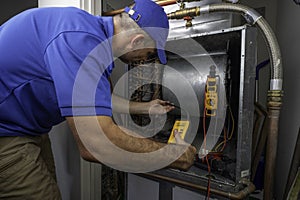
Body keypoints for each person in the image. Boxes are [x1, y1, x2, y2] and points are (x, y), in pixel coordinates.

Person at [0, 0, 196, 199]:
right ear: (136, 41)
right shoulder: (79, 41)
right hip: (6, 133)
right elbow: (96, 144)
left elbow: (91, 100)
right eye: (149, 53)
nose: (144, 60)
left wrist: (145, 108)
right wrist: (174, 156)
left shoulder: (90, 35)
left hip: (28, 129)